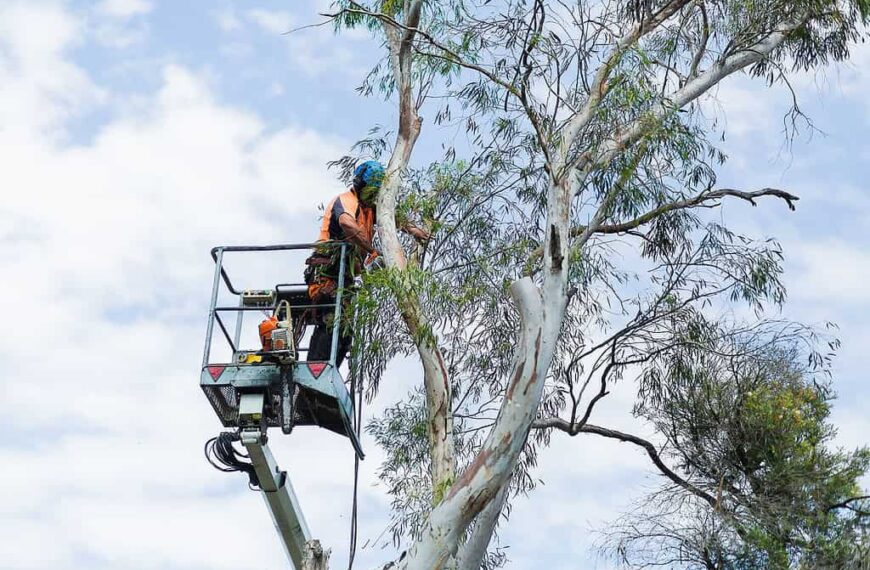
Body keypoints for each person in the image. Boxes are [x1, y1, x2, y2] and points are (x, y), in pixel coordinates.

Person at [305, 160, 428, 366]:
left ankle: (326, 373)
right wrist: (371, 250)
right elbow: (346, 223)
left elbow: (392, 220)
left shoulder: (370, 209)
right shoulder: (346, 201)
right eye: (371, 191)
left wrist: (416, 231)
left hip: (345, 279)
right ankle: (315, 372)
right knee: (332, 321)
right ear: (360, 185)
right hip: (327, 273)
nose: (373, 196)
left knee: (344, 334)